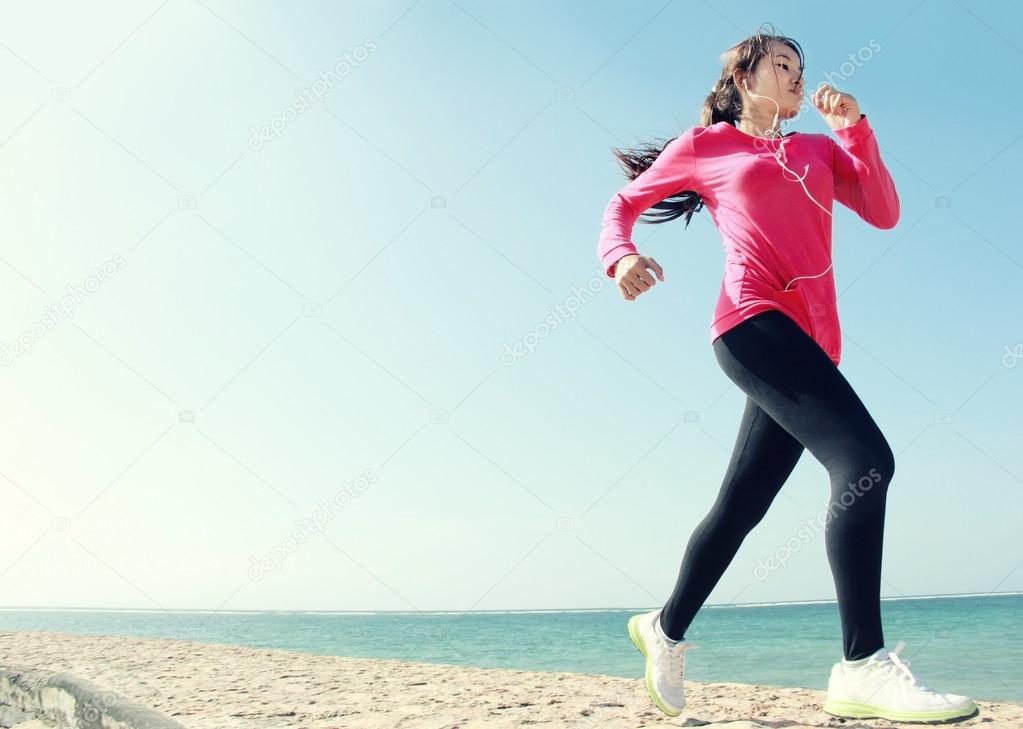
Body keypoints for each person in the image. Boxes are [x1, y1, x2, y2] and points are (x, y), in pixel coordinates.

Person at [601, 26, 979, 723]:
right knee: (864, 459)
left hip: (811, 343)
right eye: (782, 65)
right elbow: (621, 206)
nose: (797, 75)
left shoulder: (815, 148)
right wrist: (619, 257)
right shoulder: (705, 147)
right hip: (749, 323)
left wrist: (855, 130)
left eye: (802, 67)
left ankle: (664, 626)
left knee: (741, 506)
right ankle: (861, 662)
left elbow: (883, 212)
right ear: (744, 78)